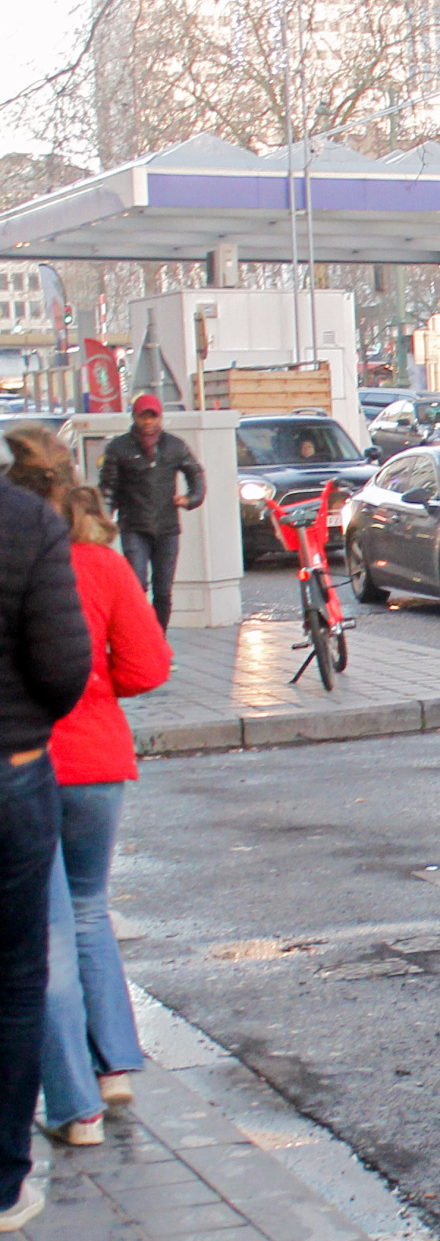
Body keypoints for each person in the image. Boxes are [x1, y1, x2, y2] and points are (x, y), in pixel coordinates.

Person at [21, 435, 169, 1146]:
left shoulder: (18, 560)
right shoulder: (106, 567)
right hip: (99, 764)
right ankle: (115, 1065)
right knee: (87, 911)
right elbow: (147, 667)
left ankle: (73, 1103)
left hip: (27, 764)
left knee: (41, 931)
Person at [0, 424, 95, 1232]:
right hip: (10, 772)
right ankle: (2, 1181)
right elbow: (65, 667)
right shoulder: (27, 526)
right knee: (13, 974)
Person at [97, 394, 206, 626]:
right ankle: (139, 641)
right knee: (137, 587)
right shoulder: (119, 448)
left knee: (164, 590)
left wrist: (191, 499)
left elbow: (195, 473)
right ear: (134, 417)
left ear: (160, 417)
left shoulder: (174, 446)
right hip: (133, 526)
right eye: (142, 417)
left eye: (152, 416)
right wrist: (104, 520)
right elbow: (107, 488)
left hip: (167, 528)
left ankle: (159, 643)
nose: (148, 423)